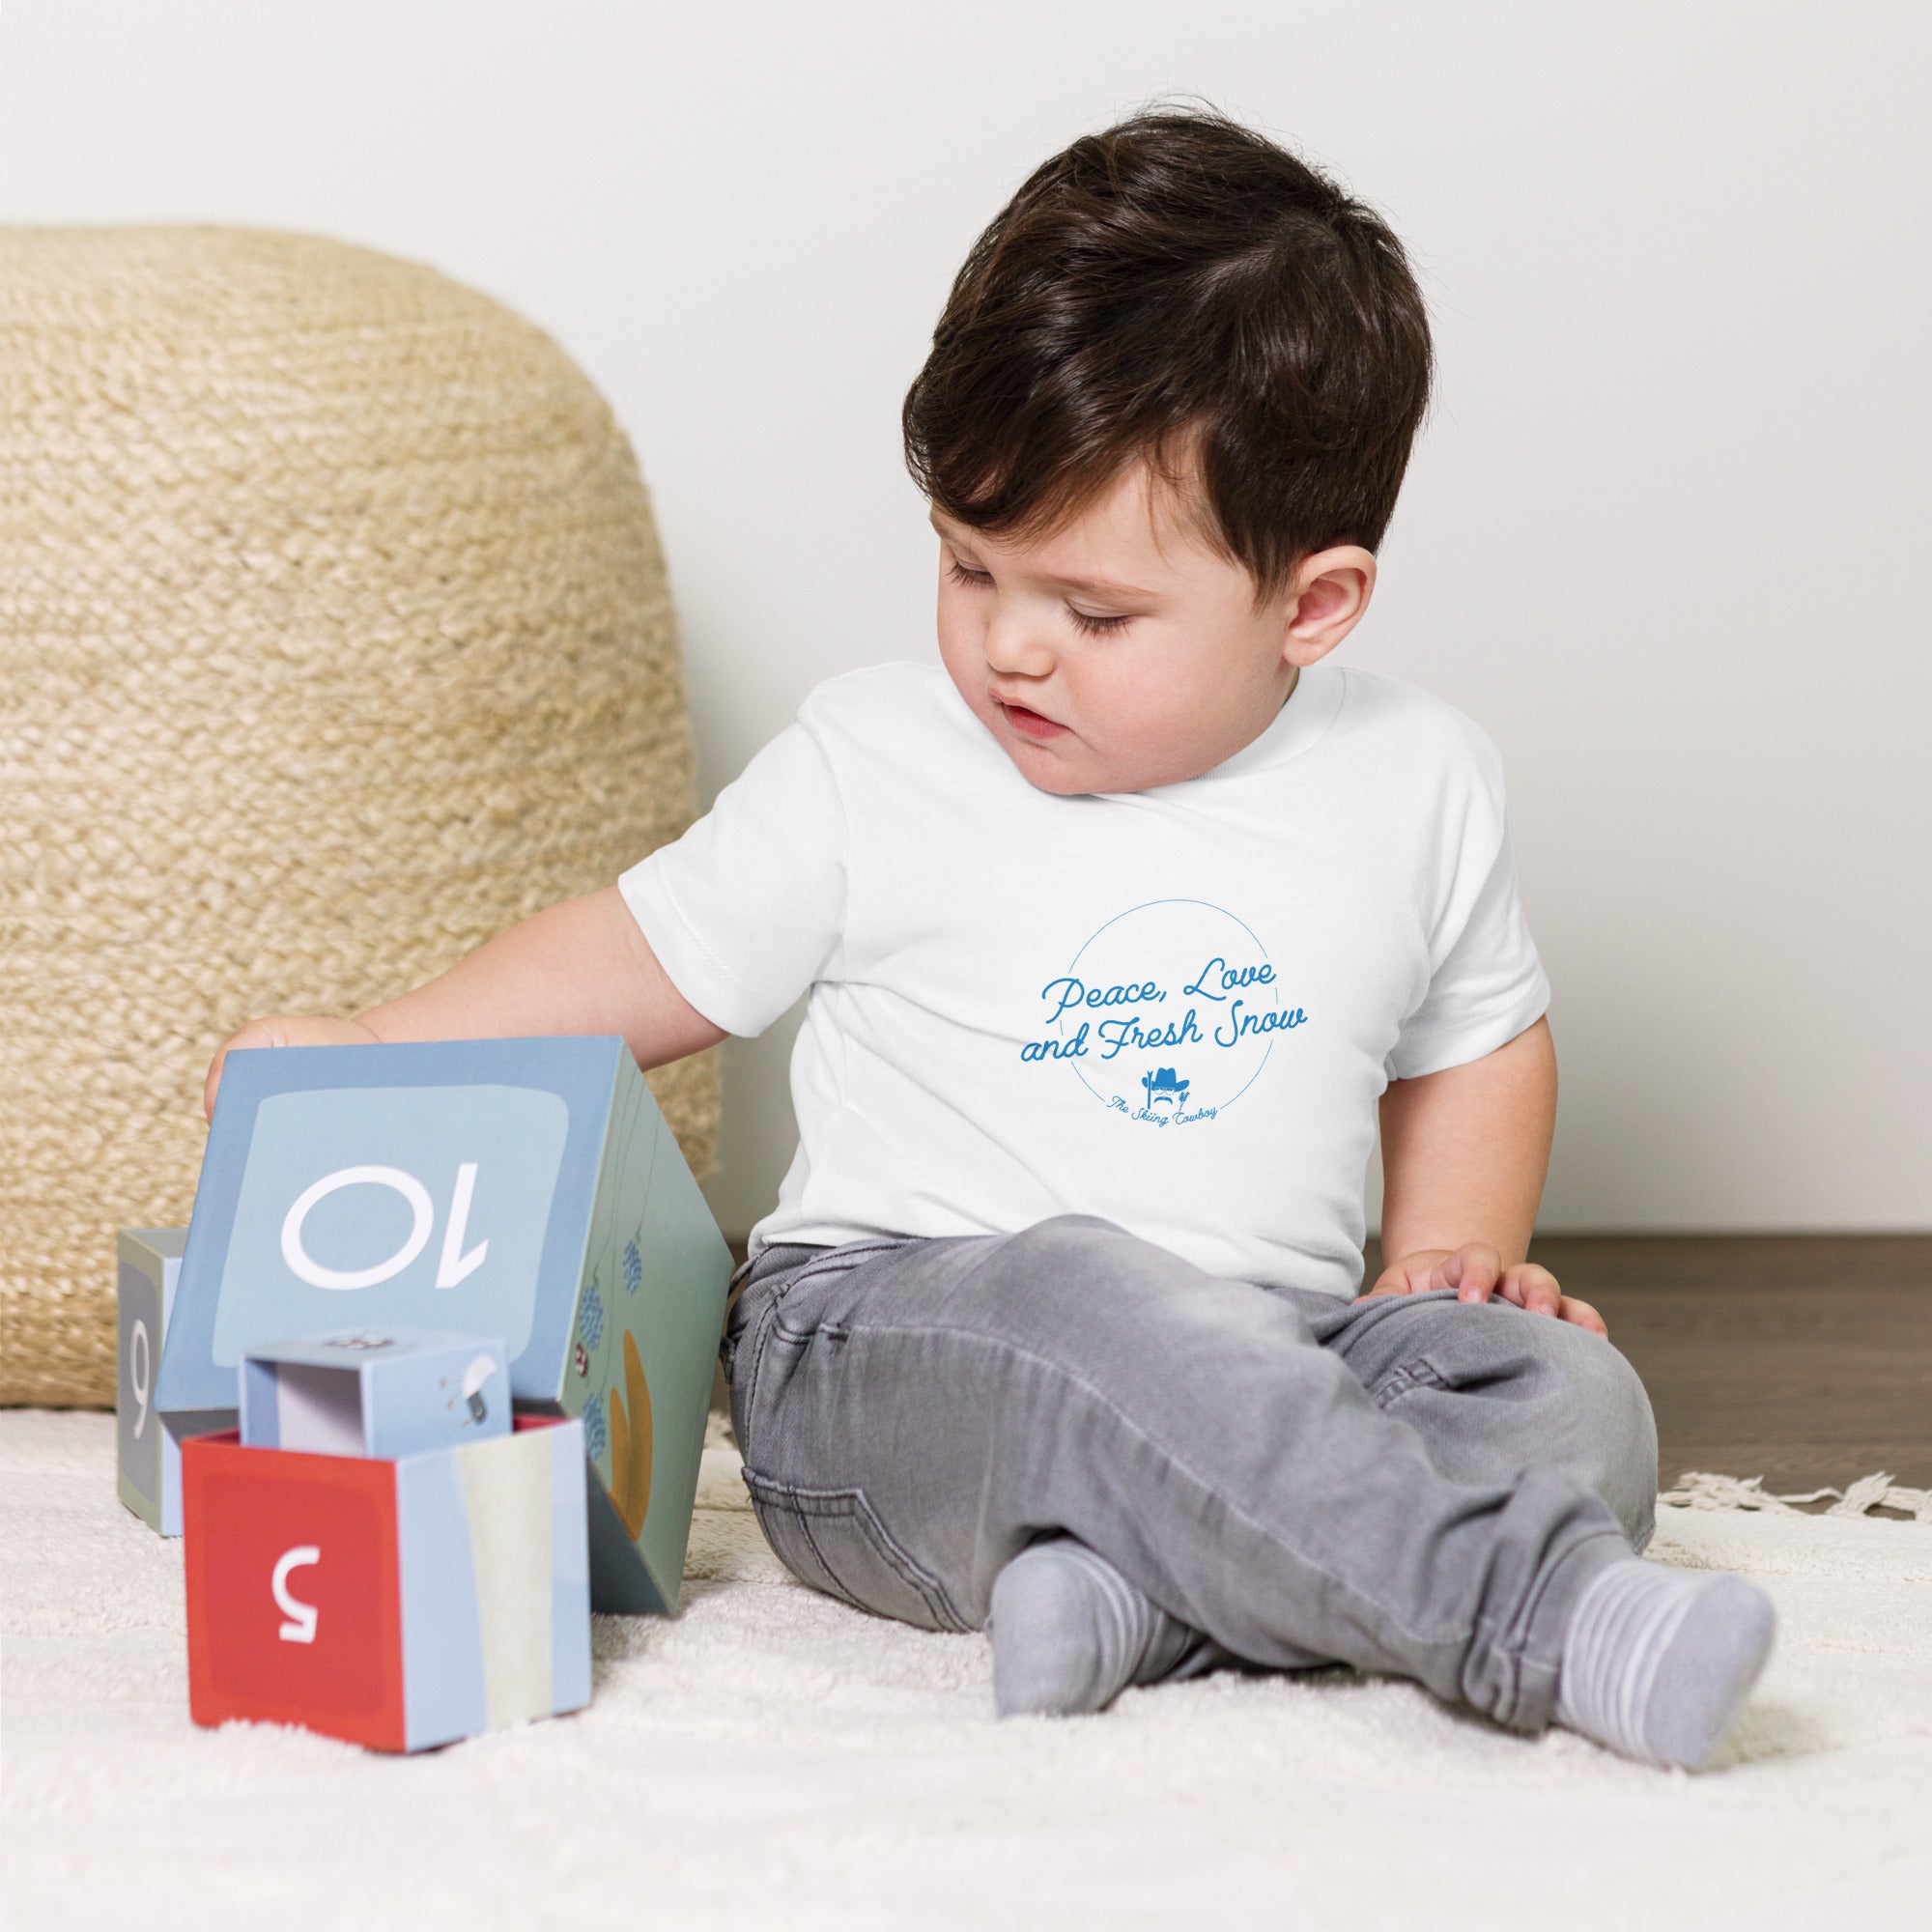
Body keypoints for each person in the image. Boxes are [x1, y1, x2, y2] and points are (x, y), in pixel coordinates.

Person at [208, 109, 1774, 1768]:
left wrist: (1441, 1260)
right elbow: (637, 957)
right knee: (1082, 1290)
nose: (1010, 648)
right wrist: (375, 1053)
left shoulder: (1417, 776)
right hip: (894, 1348)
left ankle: (1142, 1606)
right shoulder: (870, 762)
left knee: (1571, 1401)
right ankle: (1519, 1617)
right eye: (968, 566)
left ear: (1311, 605)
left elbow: (1477, 1034)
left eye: (1094, 614)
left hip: (1280, 1345)